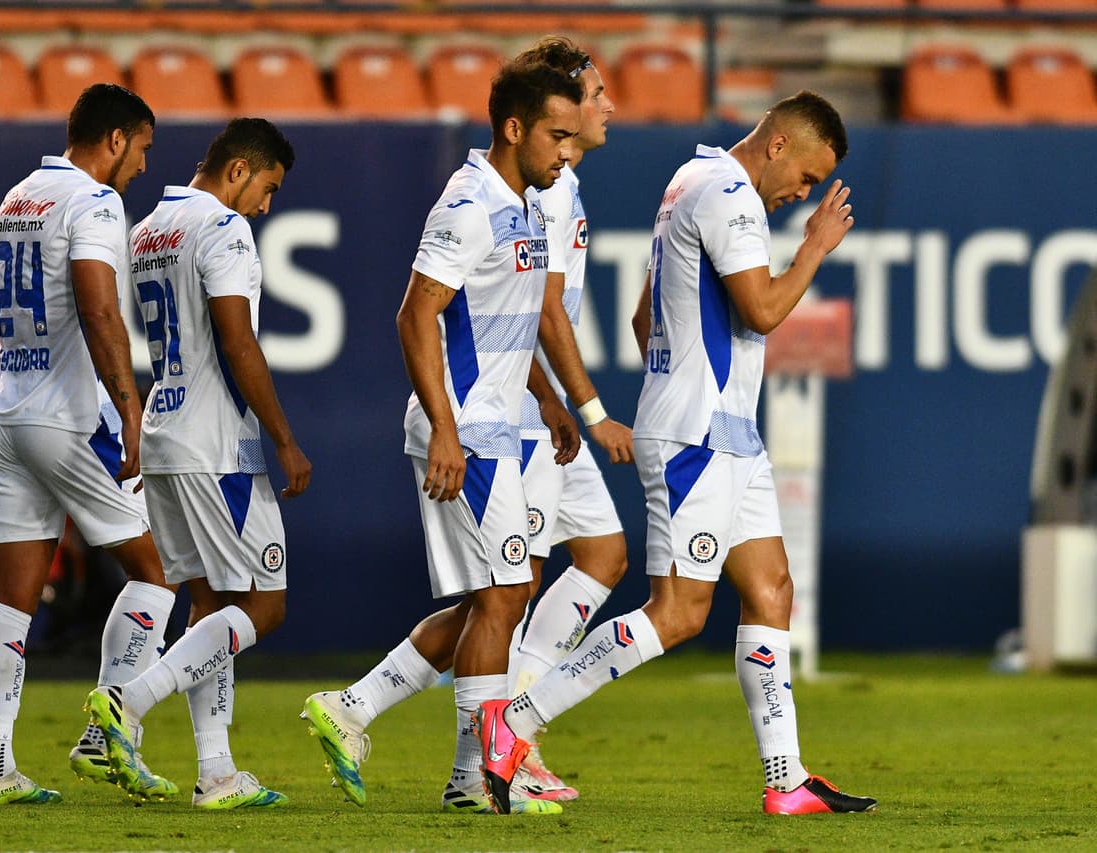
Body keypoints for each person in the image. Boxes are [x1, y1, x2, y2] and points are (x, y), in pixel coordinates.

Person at [478, 91, 879, 817]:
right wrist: (815, 247)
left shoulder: (692, 178)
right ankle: (516, 720)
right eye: (806, 178)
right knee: (679, 611)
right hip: (699, 437)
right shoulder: (730, 195)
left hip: (725, 431)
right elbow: (762, 310)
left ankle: (786, 778)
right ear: (778, 145)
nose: (802, 195)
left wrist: (676, 385)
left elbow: (644, 316)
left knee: (772, 589)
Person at [300, 61, 583, 816]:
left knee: (494, 598)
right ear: (514, 128)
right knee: (505, 595)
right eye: (557, 134)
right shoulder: (468, 204)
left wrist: (548, 399)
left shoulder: (527, 205)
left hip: (500, 427)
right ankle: (477, 777)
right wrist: (447, 432)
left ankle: (358, 710)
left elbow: (502, 328)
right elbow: (415, 314)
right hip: (467, 432)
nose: (568, 149)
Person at [84, 117, 309, 810]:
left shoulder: (150, 228)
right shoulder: (224, 229)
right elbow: (237, 342)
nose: (264, 207)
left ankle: (216, 773)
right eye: (267, 188)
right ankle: (128, 700)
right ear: (238, 169)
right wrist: (284, 438)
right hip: (218, 446)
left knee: (210, 606)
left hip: (165, 432)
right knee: (264, 604)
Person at [0, 84, 177, 806]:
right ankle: (106, 730)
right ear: (115, 139)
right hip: (67, 414)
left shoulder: (17, 198)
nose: (143, 165)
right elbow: (98, 308)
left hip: (6, 409)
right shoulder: (95, 202)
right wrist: (130, 406)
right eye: (142, 148)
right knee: (159, 569)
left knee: (10, 598)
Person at [502, 37, 632, 803]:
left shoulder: (563, 183)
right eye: (599, 93)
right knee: (512, 588)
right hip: (530, 412)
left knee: (604, 553)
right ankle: (504, 750)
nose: (609, 106)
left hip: (549, 411)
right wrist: (589, 409)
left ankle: (517, 722)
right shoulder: (544, 187)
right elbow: (543, 311)